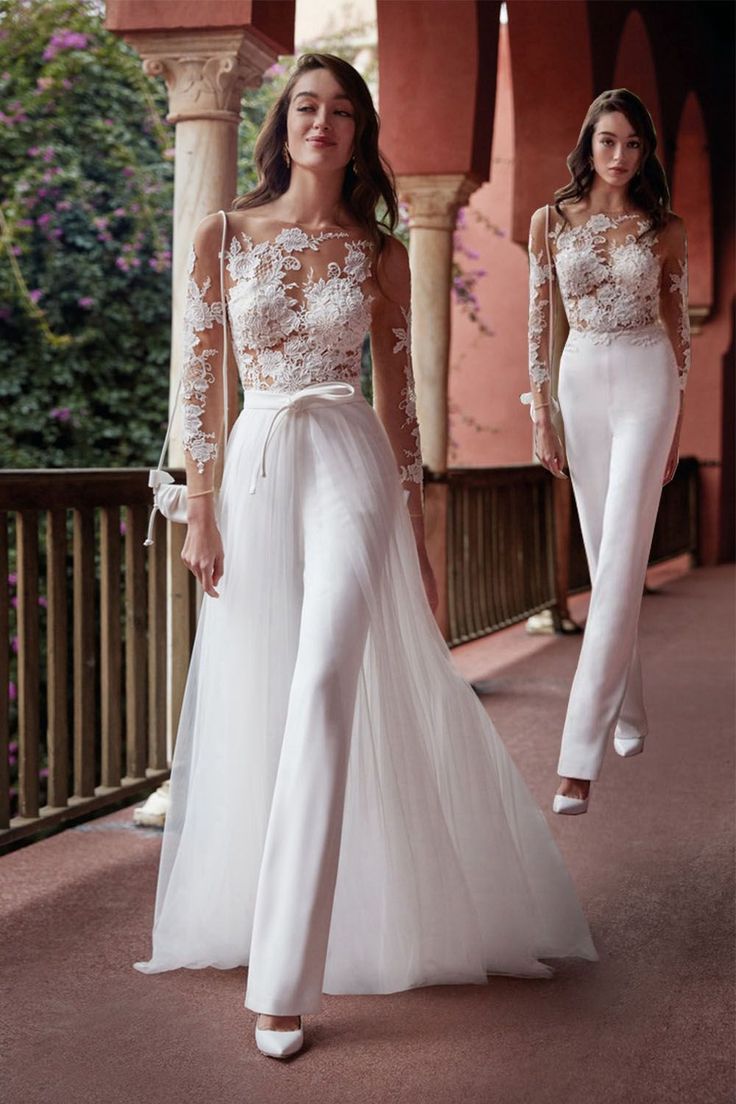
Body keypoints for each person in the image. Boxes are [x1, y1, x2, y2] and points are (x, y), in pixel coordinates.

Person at [136, 53, 596, 1058]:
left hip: (347, 463)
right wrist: (199, 510)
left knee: (326, 680)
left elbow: (398, 408)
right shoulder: (222, 235)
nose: (322, 122)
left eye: (342, 110)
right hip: (255, 467)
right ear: (281, 123)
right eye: (306, 105)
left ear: (359, 133)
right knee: (267, 687)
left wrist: (415, 544)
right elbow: (200, 379)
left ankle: (283, 983)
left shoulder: (379, 252)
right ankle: (283, 924)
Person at [524, 89, 690, 816]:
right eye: (608, 142)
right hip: (581, 381)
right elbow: (538, 326)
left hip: (649, 379)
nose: (620, 157)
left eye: (633, 145)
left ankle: (577, 759)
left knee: (623, 553)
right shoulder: (549, 223)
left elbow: (680, 332)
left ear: (646, 154)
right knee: (606, 554)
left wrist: (675, 428)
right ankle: (630, 711)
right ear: (588, 144)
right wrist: (541, 418)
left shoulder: (666, 228)